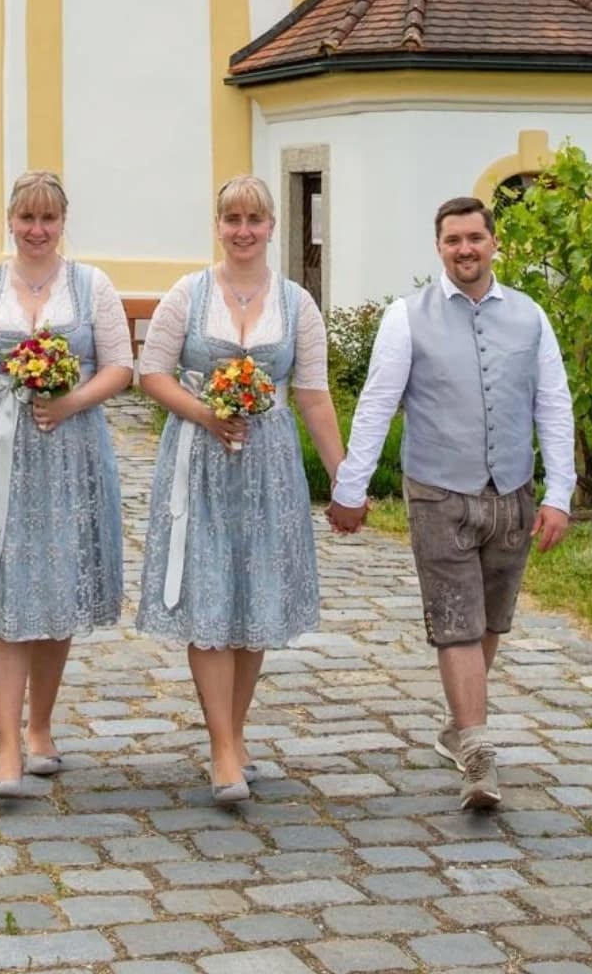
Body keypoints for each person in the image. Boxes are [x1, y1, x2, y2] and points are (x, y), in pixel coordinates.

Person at [331, 195, 575, 811]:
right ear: (438, 247)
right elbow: (378, 402)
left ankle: (456, 724)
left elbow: (554, 403)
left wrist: (560, 494)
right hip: (438, 492)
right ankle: (477, 755)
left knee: (491, 620)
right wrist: (351, 488)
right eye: (452, 240)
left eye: (474, 237)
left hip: (512, 493)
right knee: (457, 623)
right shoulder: (405, 317)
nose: (464, 249)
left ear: (495, 242)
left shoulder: (530, 316)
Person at [136, 175, 346, 802]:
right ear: (219, 225)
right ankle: (223, 749)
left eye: (255, 219)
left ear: (271, 225)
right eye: (233, 219)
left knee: (253, 601)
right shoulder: (188, 293)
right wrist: (204, 413)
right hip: (200, 459)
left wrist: (345, 479)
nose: (244, 230)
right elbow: (153, 373)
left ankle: (234, 731)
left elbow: (312, 393)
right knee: (207, 598)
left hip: (269, 463)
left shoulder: (296, 302)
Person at [0, 171, 134, 797]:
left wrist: (72, 400)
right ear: (10, 220)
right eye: (26, 218)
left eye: (48, 219)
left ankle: (41, 728)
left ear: (62, 222)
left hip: (69, 452)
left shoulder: (91, 285)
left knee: (56, 588)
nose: (36, 229)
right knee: (3, 595)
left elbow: (121, 366)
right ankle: (4, 749)